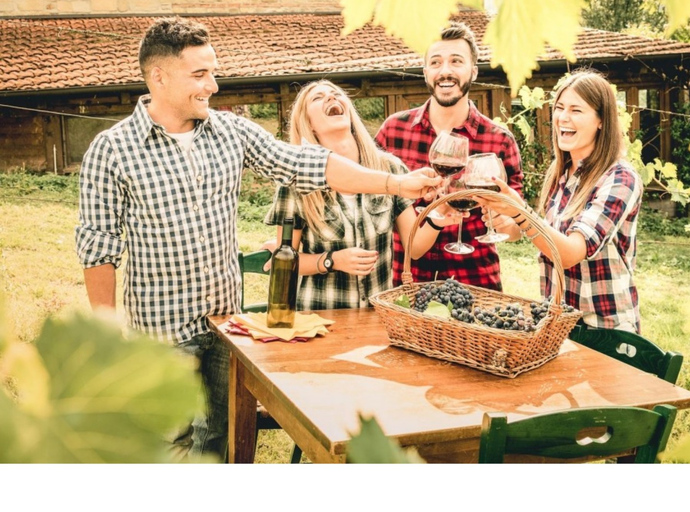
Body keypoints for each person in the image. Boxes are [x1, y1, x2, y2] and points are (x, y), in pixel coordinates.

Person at [74, 17, 440, 462]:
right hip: (161, 333)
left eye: (213, 70)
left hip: (227, 326)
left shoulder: (231, 132)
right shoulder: (112, 150)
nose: (213, 83)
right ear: (159, 77)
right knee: (168, 445)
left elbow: (311, 164)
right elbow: (99, 249)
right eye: (200, 73)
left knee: (222, 440)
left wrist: (397, 186)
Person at [263, 80, 464, 310]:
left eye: (337, 94)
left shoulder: (389, 168)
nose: (331, 98)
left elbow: (415, 247)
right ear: (308, 124)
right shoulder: (296, 181)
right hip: (319, 320)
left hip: (377, 318)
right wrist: (331, 261)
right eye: (318, 98)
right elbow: (284, 262)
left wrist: (438, 218)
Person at [476, 69, 643, 332]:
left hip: (604, 331)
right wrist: (506, 223)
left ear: (602, 120)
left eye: (576, 110)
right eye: (560, 108)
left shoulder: (620, 178)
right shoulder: (562, 173)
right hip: (559, 324)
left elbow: (569, 253)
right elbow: (538, 232)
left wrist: (520, 212)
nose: (563, 117)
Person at [375, 21, 523, 291]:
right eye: (436, 62)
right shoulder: (393, 132)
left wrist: (507, 222)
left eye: (456, 61)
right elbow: (374, 209)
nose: (445, 71)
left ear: (473, 71)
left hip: (476, 286)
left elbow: (516, 225)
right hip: (406, 286)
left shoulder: (500, 140)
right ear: (425, 72)